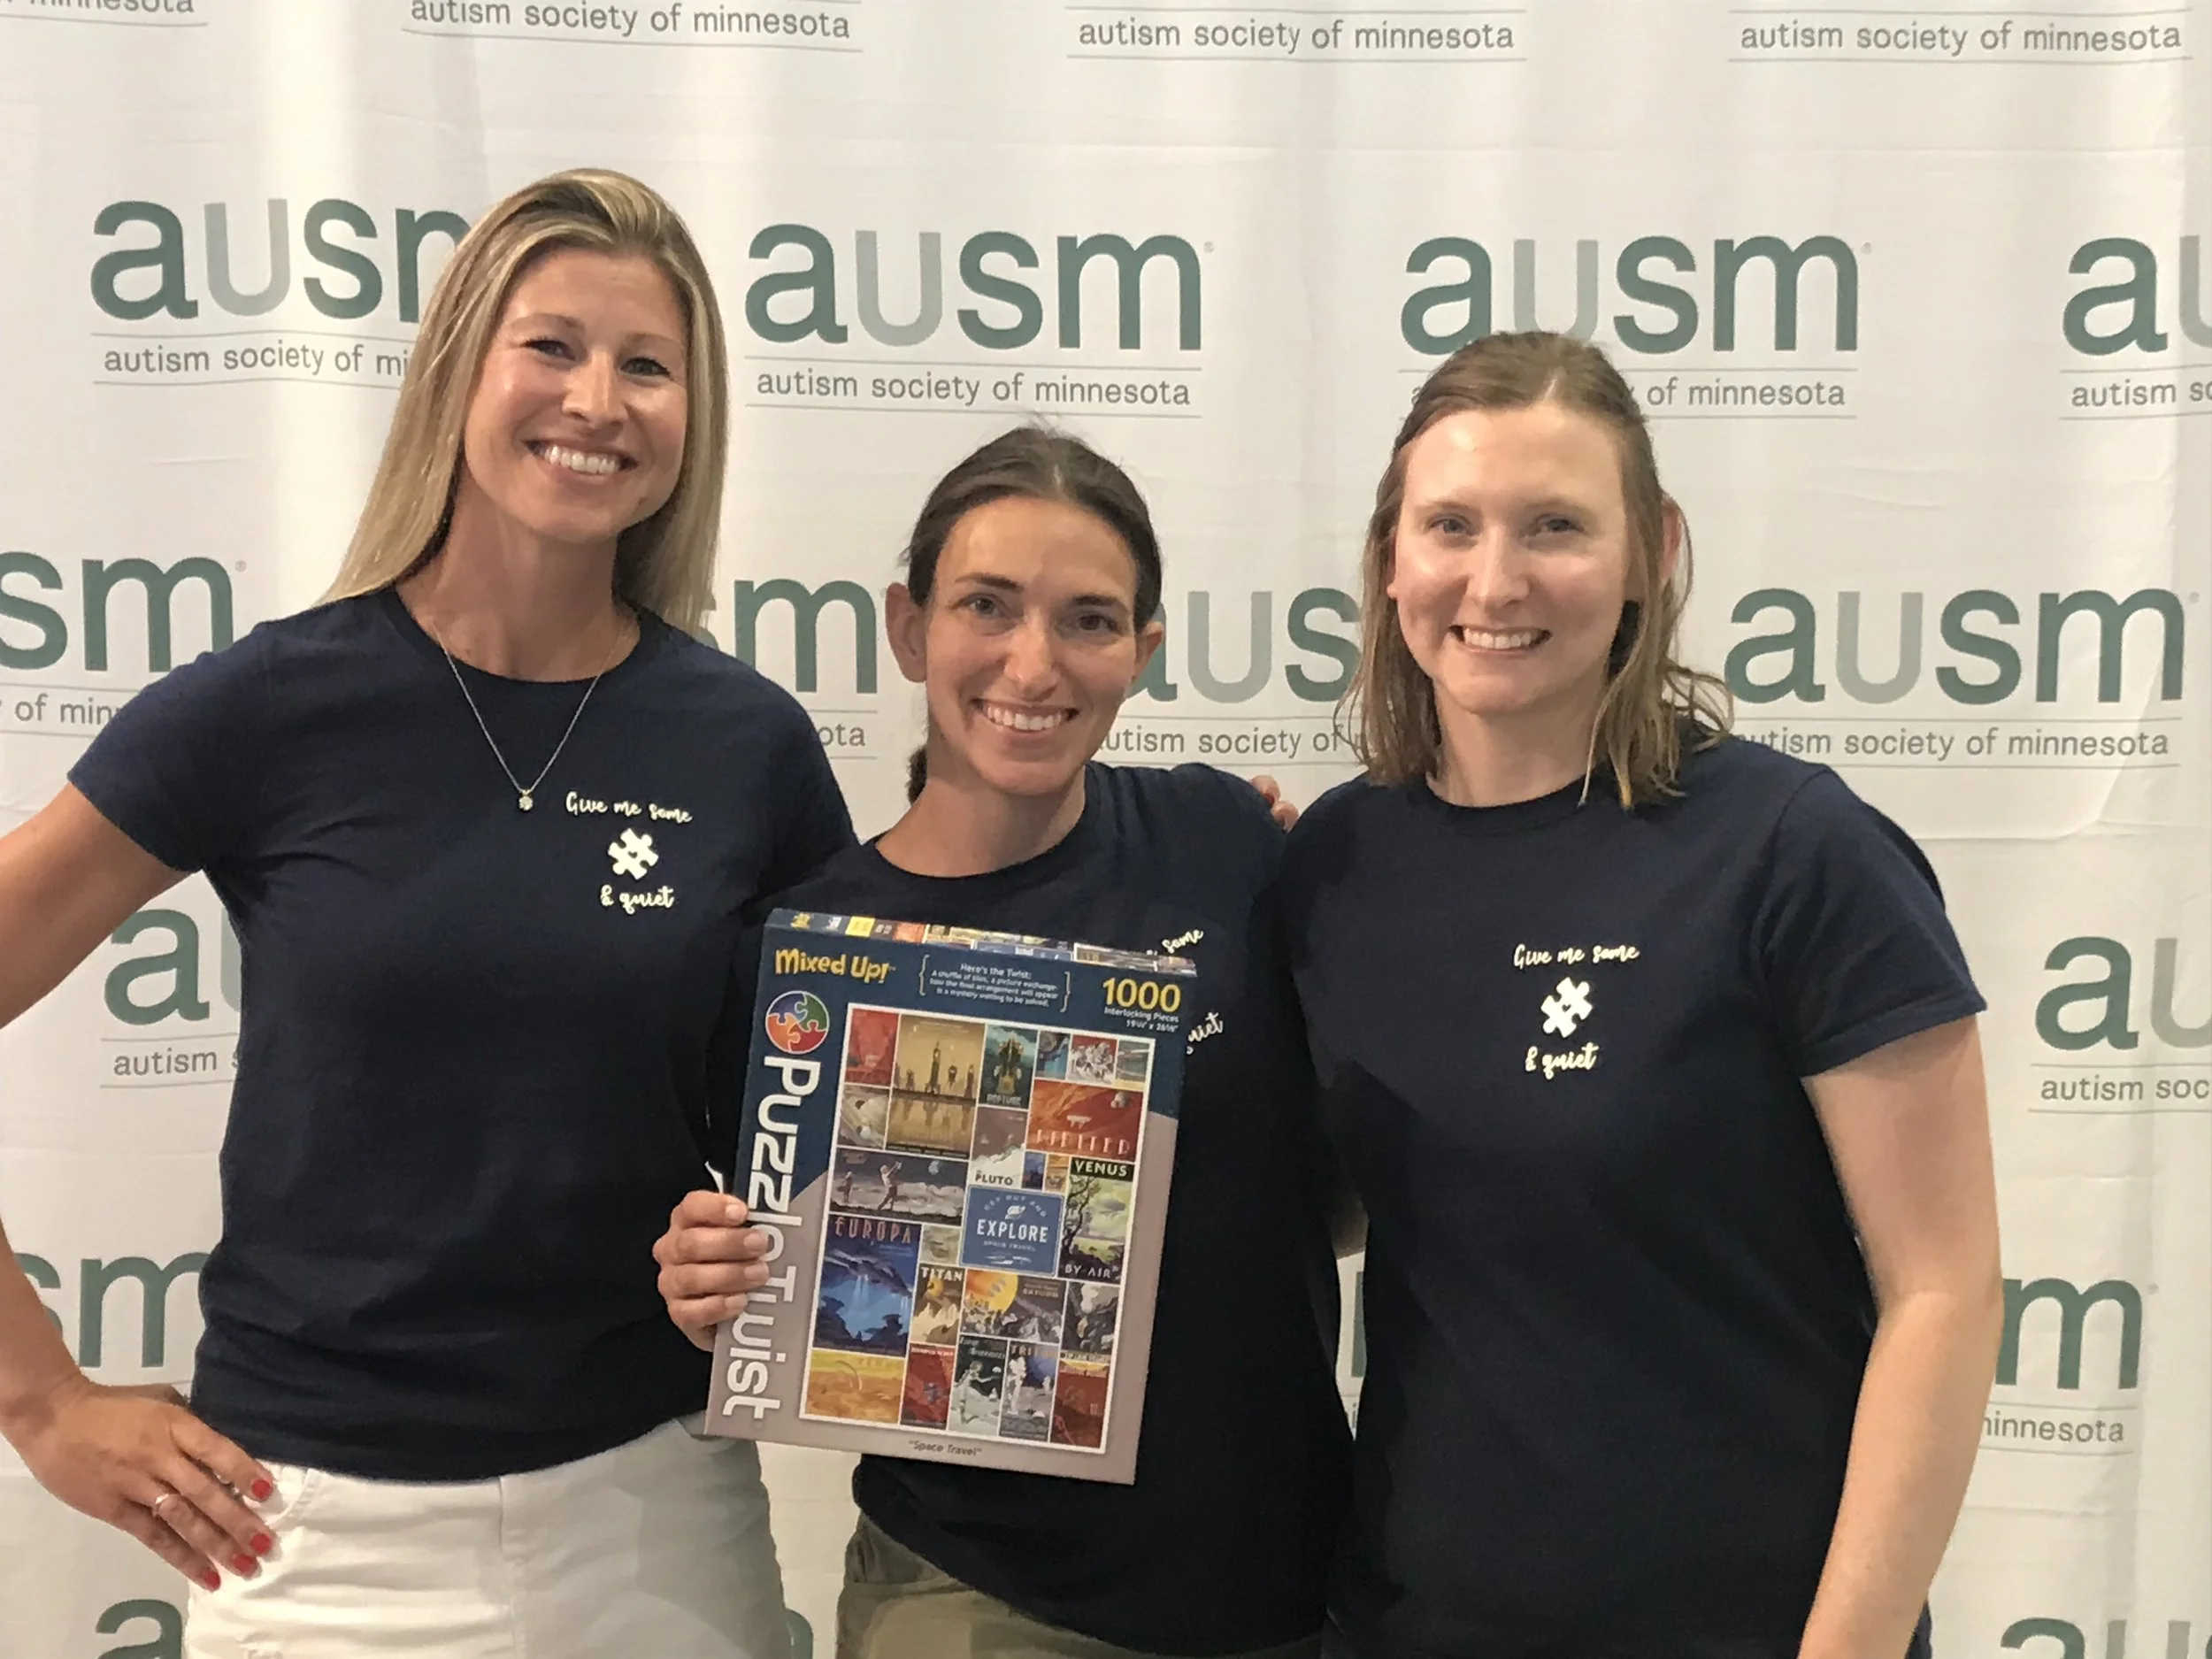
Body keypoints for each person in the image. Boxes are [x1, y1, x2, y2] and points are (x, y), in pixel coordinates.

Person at [0, 170, 850, 1657]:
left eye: (649, 365)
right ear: (459, 364)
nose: (598, 399)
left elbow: (830, 1125)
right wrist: (43, 1400)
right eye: (552, 345)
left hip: (657, 1515)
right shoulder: (276, 703)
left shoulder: (746, 742)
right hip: (309, 1533)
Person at [1277, 332, 2002, 1659]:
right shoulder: (1335, 862)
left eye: (1556, 525)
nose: (1496, 580)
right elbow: (1330, 1202)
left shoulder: (1793, 849)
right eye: (1451, 525)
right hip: (1412, 1620)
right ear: (1393, 558)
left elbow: (1943, 1289)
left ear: (1652, 551)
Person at [655, 426, 1351, 1659]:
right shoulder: (803, 955)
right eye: (989, 605)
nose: (1033, 663)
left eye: (1088, 619)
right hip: (980, 1597)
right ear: (910, 627)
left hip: (1291, 1585)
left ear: (1140, 652)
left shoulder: (1225, 841)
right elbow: (787, 1268)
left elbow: (1335, 1181)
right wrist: (722, 1277)